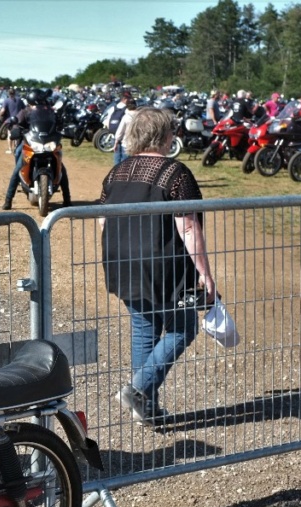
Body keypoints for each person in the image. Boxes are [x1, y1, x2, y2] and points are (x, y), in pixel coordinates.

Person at [97, 107, 217, 425]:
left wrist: (114, 251)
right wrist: (205, 274)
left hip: (121, 261)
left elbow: (101, 218)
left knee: (145, 329)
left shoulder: (117, 172)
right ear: (165, 137)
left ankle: (144, 406)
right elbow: (188, 227)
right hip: (163, 266)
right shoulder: (175, 173)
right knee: (184, 327)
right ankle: (138, 390)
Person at [2, 89, 70, 210]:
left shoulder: (50, 112)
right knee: (17, 169)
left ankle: (67, 199)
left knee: (62, 170)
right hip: (30, 143)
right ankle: (8, 200)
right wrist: (14, 127)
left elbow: (58, 123)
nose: (41, 104)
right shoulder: (25, 112)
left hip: (47, 142)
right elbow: (16, 122)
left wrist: (62, 128)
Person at [112, 97, 137, 165]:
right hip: (137, 145)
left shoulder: (126, 117)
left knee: (124, 165)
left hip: (126, 144)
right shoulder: (140, 116)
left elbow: (120, 131)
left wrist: (116, 142)